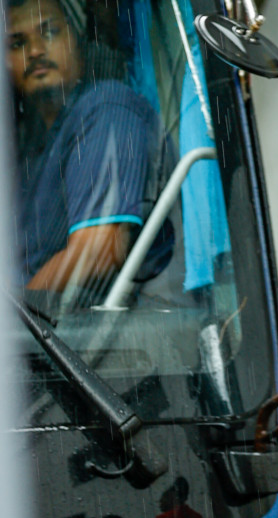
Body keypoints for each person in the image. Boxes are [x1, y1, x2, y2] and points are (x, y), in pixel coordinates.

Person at [7, 0, 171, 304]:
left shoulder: (106, 109)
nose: (35, 51)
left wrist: (14, 322)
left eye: (50, 31)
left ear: (77, 38)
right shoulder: (28, 153)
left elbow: (97, 251)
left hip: (106, 344)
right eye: (17, 43)